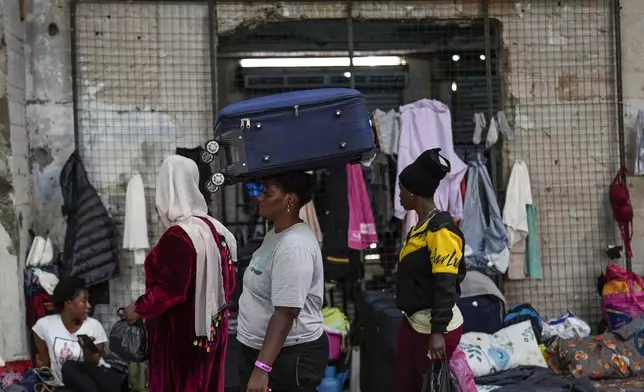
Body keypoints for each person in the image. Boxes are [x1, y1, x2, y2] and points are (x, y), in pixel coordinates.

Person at [123, 155, 237, 392]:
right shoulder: (220, 231)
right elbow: (231, 283)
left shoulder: (178, 236)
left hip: (181, 340)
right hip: (215, 333)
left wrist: (138, 308)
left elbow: (170, 291)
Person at [237, 172, 328, 392]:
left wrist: (261, 368)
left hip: (288, 357)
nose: (260, 197)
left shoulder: (295, 246)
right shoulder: (275, 235)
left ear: (290, 199)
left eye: (268, 192)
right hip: (264, 352)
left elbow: (286, 313)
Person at [395, 148, 466, 392]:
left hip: (435, 328)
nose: (399, 194)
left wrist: (438, 333)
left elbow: (445, 285)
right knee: (407, 383)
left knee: (430, 387)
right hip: (415, 321)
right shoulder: (420, 228)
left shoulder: (441, 232)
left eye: (401, 188)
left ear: (413, 193)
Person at [32, 277, 124, 392]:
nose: (89, 306)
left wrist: (88, 349)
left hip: (96, 381)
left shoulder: (93, 326)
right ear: (68, 303)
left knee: (71, 368)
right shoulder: (44, 325)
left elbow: (94, 363)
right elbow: (43, 361)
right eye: (84, 301)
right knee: (68, 369)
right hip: (66, 385)